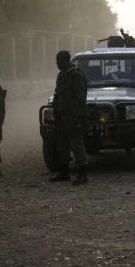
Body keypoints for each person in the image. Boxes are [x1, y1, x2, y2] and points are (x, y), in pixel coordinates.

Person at [49, 50, 89, 185]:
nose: (57, 64)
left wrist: (79, 116)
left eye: (58, 61)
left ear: (66, 60)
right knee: (62, 144)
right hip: (62, 115)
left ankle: (82, 173)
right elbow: (57, 94)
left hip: (73, 116)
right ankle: (64, 172)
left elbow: (80, 98)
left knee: (76, 144)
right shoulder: (61, 76)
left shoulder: (75, 75)